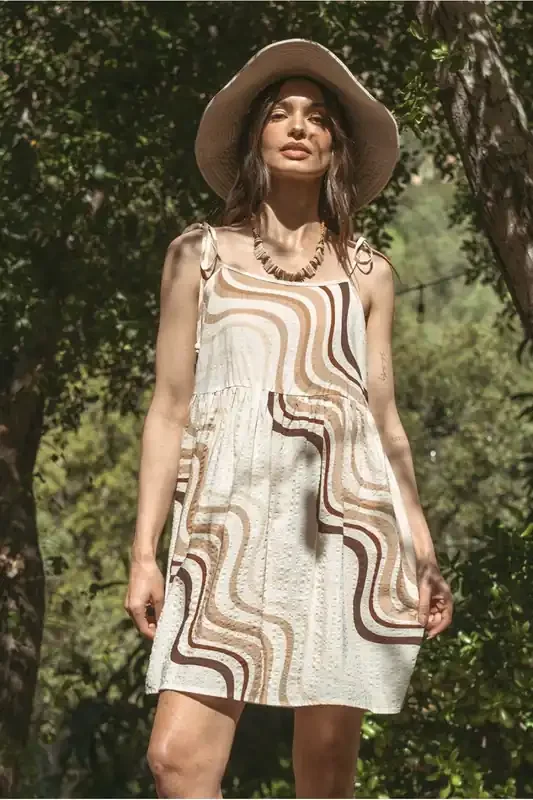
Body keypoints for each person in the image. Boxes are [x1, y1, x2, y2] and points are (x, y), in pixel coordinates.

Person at [124, 38, 454, 799]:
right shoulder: (198, 255)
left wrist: (423, 551)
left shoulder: (367, 274)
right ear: (256, 139)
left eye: (317, 117)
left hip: (342, 527)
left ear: (336, 146)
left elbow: (384, 421)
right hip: (222, 528)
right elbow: (169, 408)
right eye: (280, 113)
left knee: (326, 773)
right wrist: (145, 552)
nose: (299, 127)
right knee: (177, 760)